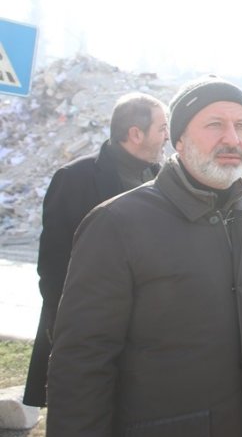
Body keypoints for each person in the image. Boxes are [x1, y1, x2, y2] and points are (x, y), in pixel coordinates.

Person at [46, 76, 242, 437]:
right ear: (179, 139)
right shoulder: (118, 224)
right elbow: (82, 360)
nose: (232, 139)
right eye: (214, 125)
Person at [23, 92, 169, 408]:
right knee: (82, 415)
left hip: (144, 330)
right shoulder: (75, 178)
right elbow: (53, 264)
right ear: (135, 133)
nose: (167, 137)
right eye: (161, 128)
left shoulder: (162, 180)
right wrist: (64, 330)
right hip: (87, 326)